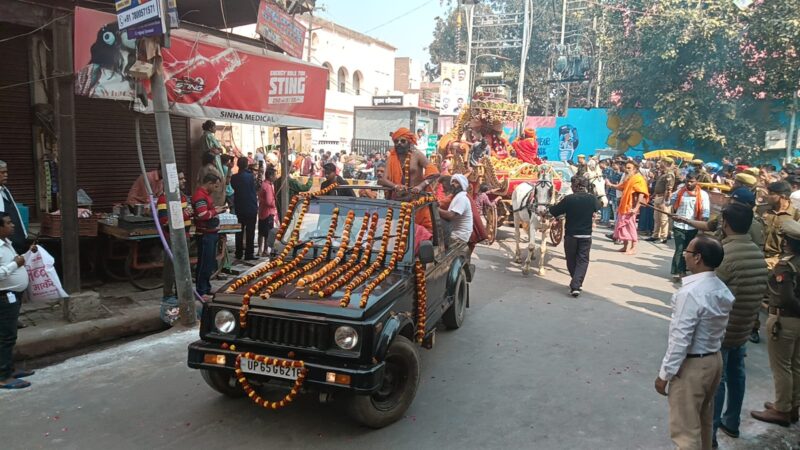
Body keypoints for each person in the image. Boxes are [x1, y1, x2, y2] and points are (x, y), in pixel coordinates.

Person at [655, 235, 734, 450]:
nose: (684, 255)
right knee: (703, 420)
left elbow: (681, 339)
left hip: (693, 366)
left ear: (698, 258)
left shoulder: (691, 293)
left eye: (688, 252)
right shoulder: (720, 288)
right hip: (713, 360)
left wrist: (664, 375)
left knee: (685, 432)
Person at [711, 204, 769, 446]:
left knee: (718, 381)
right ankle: (732, 422)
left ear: (725, 224)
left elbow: (712, 293)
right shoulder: (757, 254)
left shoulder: (726, 254)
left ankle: (710, 435)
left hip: (724, 329)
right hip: (744, 326)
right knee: (737, 374)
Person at [750, 219, 800, 427]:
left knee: (781, 367)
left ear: (787, 241)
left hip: (784, 319)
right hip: (796, 322)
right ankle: (791, 406)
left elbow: (786, 298)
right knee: (795, 365)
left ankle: (781, 410)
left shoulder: (786, 265)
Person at [548, 175, 602, 297]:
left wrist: (549, 206)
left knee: (571, 259)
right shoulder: (592, 199)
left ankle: (575, 284)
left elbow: (554, 211)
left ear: (574, 186)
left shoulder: (569, 199)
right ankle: (576, 283)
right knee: (583, 260)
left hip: (571, 235)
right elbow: (599, 206)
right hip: (586, 235)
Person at [0, 214, 36, 390]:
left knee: (10, 335)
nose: (13, 225)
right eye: (8, 223)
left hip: (13, 295)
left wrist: (28, 254)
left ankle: (9, 369)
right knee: (5, 337)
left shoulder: (7, 243)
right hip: (4, 298)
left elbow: (17, 261)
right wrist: (15, 265)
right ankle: (3, 377)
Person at [378, 127, 440, 230]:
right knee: (396, 232)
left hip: (417, 202)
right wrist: (396, 186)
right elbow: (384, 180)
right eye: (396, 141)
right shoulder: (391, 158)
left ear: (409, 142)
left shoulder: (417, 155)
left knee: (421, 232)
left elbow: (435, 172)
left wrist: (421, 186)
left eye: (403, 141)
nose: (399, 144)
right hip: (398, 202)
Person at [675, 187, 765, 248]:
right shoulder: (725, 215)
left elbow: (756, 247)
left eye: (734, 201)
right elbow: (708, 226)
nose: (730, 202)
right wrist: (684, 220)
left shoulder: (753, 223)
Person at [156, 172, 192, 300]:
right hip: (172, 239)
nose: (184, 180)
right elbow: (165, 221)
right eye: (180, 179)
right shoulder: (163, 199)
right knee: (171, 269)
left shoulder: (182, 197)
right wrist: (185, 215)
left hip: (185, 236)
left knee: (183, 268)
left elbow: (187, 213)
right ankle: (168, 295)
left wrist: (188, 214)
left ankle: (180, 294)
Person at [669, 174, 711, 282]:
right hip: (679, 225)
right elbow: (669, 202)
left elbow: (706, 210)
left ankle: (683, 269)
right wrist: (668, 195)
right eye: (687, 181)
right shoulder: (679, 191)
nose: (689, 183)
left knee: (688, 250)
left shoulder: (702, 194)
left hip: (693, 226)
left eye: (692, 181)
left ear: (696, 182)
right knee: (679, 248)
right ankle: (679, 271)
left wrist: (704, 224)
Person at [193, 173, 227, 297]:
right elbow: (203, 215)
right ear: (209, 184)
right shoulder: (200, 196)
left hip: (210, 233)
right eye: (215, 186)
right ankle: (201, 290)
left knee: (208, 263)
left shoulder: (206, 195)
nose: (216, 189)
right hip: (205, 234)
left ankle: (206, 287)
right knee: (204, 264)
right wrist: (215, 211)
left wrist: (215, 210)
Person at [606, 160, 649, 254]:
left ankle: (633, 248)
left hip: (631, 207)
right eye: (626, 167)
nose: (626, 170)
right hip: (624, 206)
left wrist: (636, 208)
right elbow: (621, 187)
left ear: (635, 169)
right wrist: (611, 185)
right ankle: (625, 247)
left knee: (631, 227)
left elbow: (641, 194)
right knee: (623, 226)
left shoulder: (639, 179)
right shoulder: (629, 178)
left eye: (629, 168)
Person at [230, 157, 258, 261]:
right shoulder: (251, 176)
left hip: (239, 207)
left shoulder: (234, 177)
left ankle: (238, 252)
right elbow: (256, 187)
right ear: (246, 165)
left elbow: (233, 187)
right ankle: (249, 253)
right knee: (250, 232)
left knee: (239, 231)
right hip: (250, 207)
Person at [0, 161, 29, 254]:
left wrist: (24, 233)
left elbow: (16, 214)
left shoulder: (5, 190)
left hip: (17, 242)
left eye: (6, 172)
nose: (6, 175)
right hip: (6, 245)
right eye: (2, 172)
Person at [438, 174, 473, 250]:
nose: (453, 184)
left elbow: (450, 215)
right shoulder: (457, 196)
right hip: (455, 233)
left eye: (456, 182)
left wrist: (435, 209)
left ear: (462, 185)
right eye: (452, 182)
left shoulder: (462, 198)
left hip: (458, 236)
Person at [648, 157, 677, 244]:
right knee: (656, 218)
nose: (659, 163)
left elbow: (668, 189)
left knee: (663, 219)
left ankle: (663, 237)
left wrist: (665, 200)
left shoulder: (669, 174)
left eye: (661, 162)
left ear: (665, 163)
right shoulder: (663, 173)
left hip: (663, 198)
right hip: (658, 197)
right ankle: (655, 235)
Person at [258, 168, 278, 257]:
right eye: (274, 175)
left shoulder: (263, 184)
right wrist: (276, 204)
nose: (275, 177)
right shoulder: (268, 186)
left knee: (261, 232)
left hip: (262, 211)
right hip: (268, 213)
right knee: (267, 233)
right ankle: (265, 250)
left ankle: (259, 250)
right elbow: (269, 202)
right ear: (270, 176)